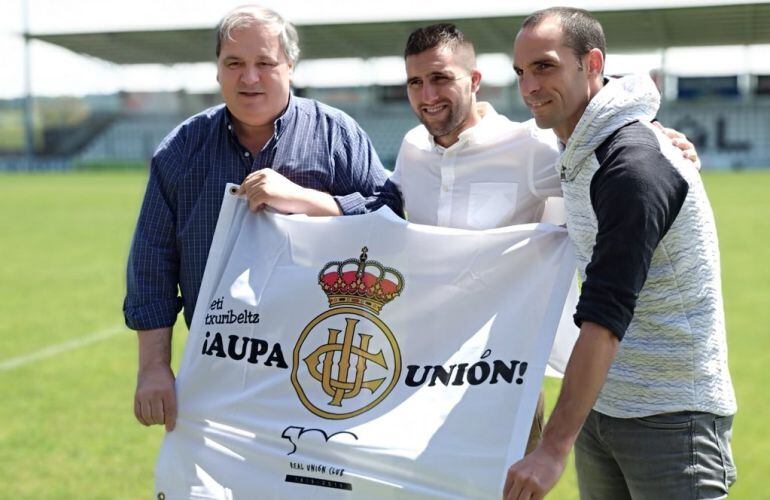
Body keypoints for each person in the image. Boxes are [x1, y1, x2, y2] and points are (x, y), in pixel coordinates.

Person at [393, 23, 699, 455]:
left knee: (510, 484)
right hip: (419, 374)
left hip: (501, 377)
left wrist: (659, 138)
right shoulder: (411, 148)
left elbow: (612, 163)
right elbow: (383, 212)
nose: (428, 95)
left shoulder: (530, 146)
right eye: (415, 82)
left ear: (474, 80)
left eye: (441, 78)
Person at [124, 5, 400, 433]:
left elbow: (389, 215)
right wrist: (153, 367)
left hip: (319, 372)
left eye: (265, 63)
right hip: (216, 373)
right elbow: (151, 264)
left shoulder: (337, 135)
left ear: (290, 67)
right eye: (234, 63)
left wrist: (305, 199)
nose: (249, 77)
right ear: (218, 70)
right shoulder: (181, 150)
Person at [504, 7, 736, 500]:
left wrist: (551, 448)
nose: (529, 86)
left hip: (671, 417)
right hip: (601, 407)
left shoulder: (634, 165)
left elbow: (606, 312)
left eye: (544, 66)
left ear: (591, 63)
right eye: (521, 71)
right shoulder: (578, 146)